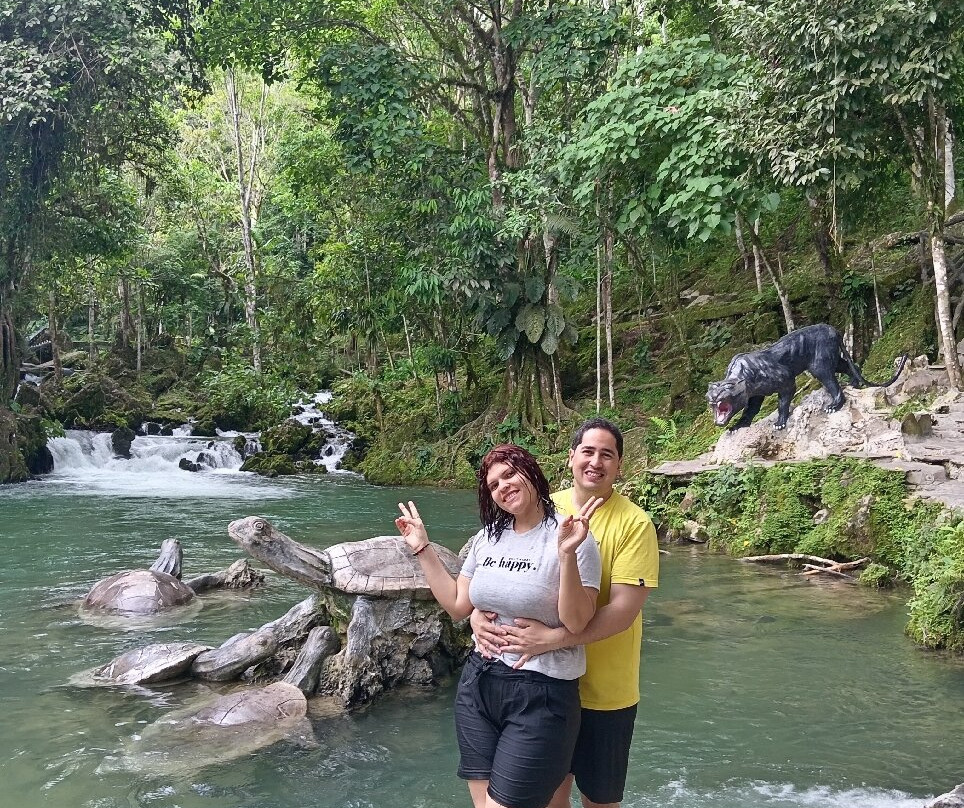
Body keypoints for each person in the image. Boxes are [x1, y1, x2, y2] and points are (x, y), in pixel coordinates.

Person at [394, 443, 603, 808]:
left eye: (510, 474)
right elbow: (459, 606)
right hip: (478, 684)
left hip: (542, 691)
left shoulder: (571, 535)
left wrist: (567, 555)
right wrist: (422, 548)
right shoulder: (487, 537)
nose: (503, 486)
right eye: (493, 484)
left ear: (531, 472)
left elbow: (578, 620)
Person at [472, 418, 660, 808]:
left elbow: (623, 611)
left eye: (607, 454)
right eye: (587, 451)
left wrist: (554, 639)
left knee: (599, 799)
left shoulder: (635, 524)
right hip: (543, 688)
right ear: (571, 456)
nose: (596, 462)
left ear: (619, 465)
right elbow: (494, 569)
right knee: (550, 796)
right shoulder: (537, 503)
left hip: (603, 692)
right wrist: (476, 614)